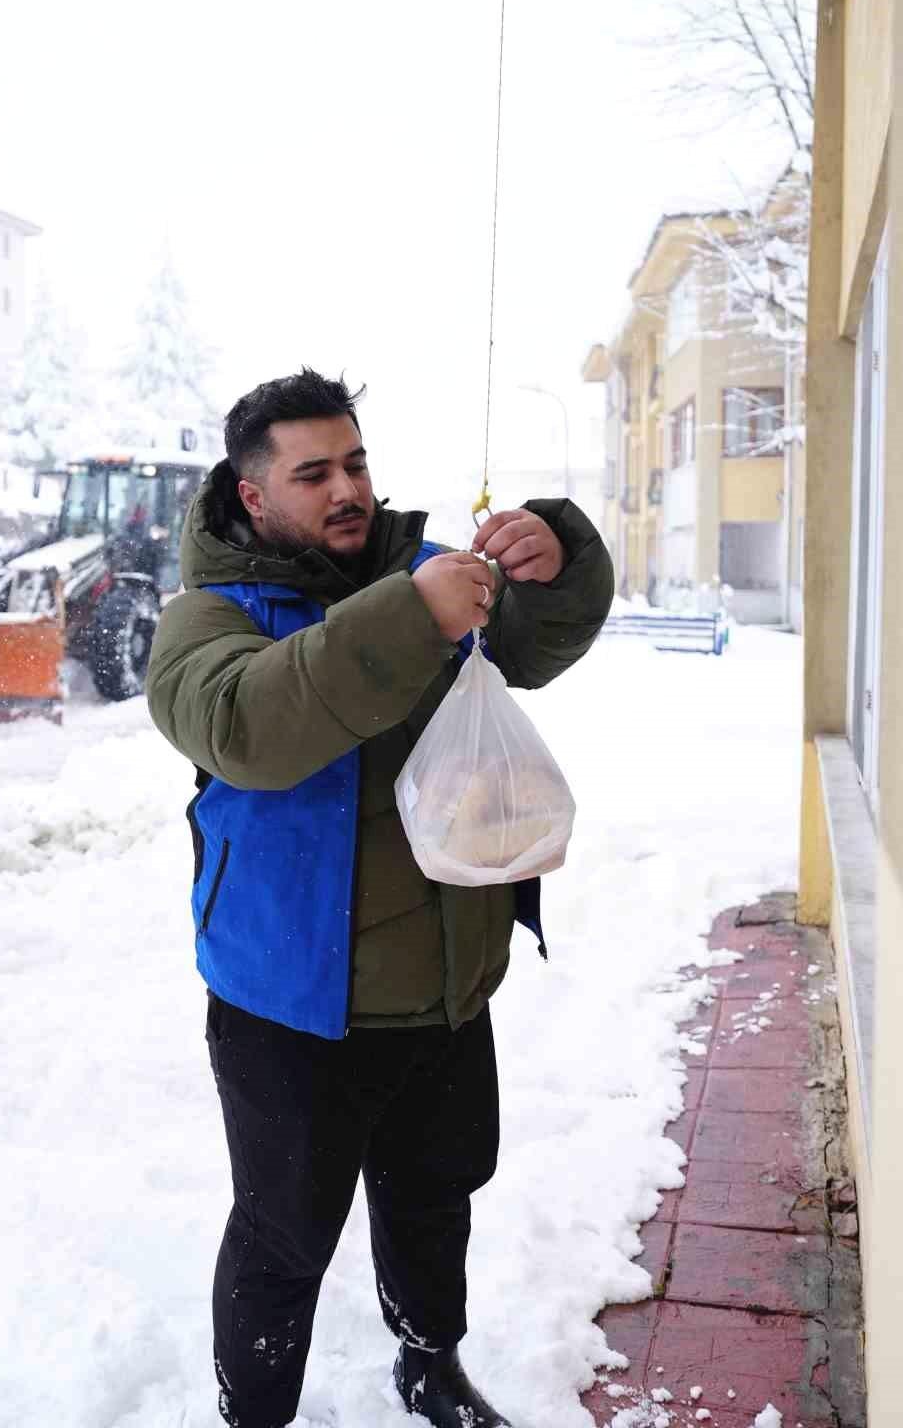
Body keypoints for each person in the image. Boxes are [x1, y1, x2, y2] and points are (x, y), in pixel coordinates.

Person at [146, 369, 614, 1428]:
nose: (346, 488)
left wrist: (556, 557)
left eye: (354, 461)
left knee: (433, 1195)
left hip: (441, 987)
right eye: (312, 473)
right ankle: (253, 1410)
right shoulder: (205, 618)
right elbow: (251, 726)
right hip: (289, 1003)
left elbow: (537, 643)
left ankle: (428, 1363)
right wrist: (414, 613)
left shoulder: (431, 572)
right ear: (253, 494)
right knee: (282, 1234)